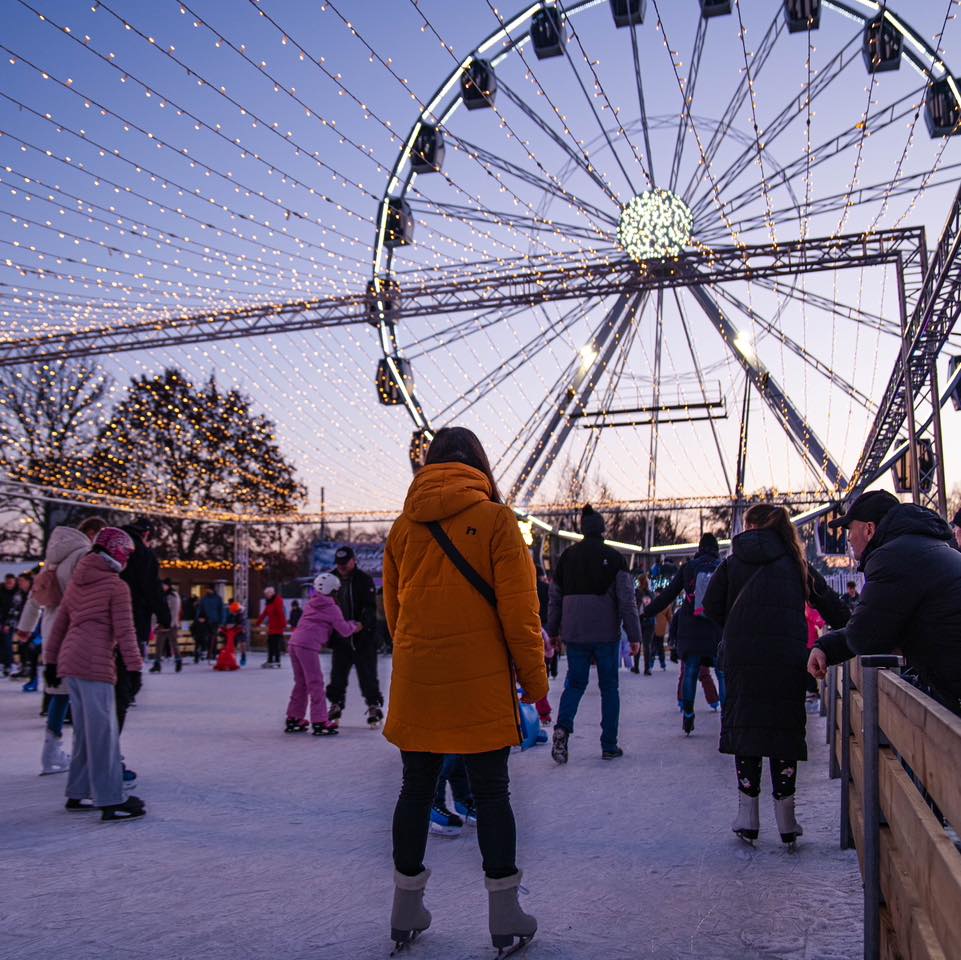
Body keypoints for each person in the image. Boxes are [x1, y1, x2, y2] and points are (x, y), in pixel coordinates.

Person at [382, 426, 547, 955]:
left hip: (418, 677)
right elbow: (521, 615)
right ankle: (504, 914)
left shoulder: (401, 530)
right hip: (479, 681)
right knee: (493, 793)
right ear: (478, 463)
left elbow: (394, 613)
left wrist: (417, 649)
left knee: (415, 789)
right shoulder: (499, 522)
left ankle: (405, 908)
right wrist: (535, 681)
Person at [703, 504, 849, 847]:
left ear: (750, 526)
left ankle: (748, 816)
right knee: (782, 729)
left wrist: (739, 628)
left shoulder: (732, 561)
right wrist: (860, 629)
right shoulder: (796, 564)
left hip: (742, 657)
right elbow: (830, 605)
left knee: (747, 728)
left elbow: (710, 606)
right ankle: (787, 820)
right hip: (786, 656)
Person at [808, 490, 961, 718]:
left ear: (869, 529)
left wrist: (825, 647)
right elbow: (876, 624)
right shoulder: (932, 546)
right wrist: (826, 647)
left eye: (851, 530)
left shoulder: (892, 558)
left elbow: (865, 636)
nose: (848, 538)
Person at [43, 527, 146, 821]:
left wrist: (51, 662)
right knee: (103, 734)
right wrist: (135, 668)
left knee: (86, 732)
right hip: (94, 664)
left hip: (71, 663)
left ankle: (78, 791)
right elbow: (126, 632)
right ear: (118, 553)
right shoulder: (116, 586)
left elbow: (60, 624)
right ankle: (112, 799)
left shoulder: (78, 581)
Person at [547, 504, 642, 764]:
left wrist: (552, 631)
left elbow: (555, 599)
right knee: (609, 687)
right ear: (602, 530)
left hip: (575, 633)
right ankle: (609, 744)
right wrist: (634, 635)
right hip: (605, 634)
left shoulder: (566, 558)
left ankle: (562, 728)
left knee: (575, 684)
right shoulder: (615, 558)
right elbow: (627, 601)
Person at [16, 517, 106, 774]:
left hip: (52, 627)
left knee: (60, 692)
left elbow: (36, 597)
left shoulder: (53, 559)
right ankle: (84, 755)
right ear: (91, 533)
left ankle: (50, 751)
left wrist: (25, 627)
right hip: (76, 629)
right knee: (84, 693)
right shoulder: (84, 555)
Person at [646, 533, 724, 735]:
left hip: (692, 629)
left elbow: (669, 595)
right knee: (722, 674)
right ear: (716, 549)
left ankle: (688, 714)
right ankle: (727, 717)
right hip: (716, 629)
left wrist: (647, 612)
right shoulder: (723, 567)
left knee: (690, 672)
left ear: (699, 548)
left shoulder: (688, 568)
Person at [285, 573, 360, 736]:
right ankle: (319, 721)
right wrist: (355, 625)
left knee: (301, 683)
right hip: (307, 646)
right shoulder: (332, 608)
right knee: (315, 683)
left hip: (294, 642)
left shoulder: (311, 604)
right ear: (334, 590)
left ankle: (294, 718)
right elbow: (345, 630)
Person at [325, 546, 384, 727]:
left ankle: (373, 705)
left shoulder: (363, 580)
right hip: (341, 638)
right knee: (337, 675)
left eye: (345, 563)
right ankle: (335, 705)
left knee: (368, 674)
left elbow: (370, 607)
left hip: (363, 638)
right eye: (339, 564)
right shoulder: (331, 578)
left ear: (354, 561)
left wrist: (362, 624)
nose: (341, 567)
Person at [150, 579, 182, 673]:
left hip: (171, 624)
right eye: (162, 585)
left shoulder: (174, 596)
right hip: (161, 624)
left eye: (164, 585)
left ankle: (178, 661)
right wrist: (154, 624)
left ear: (168, 586)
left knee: (173, 643)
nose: (162, 587)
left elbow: (174, 611)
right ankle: (157, 664)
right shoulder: (160, 596)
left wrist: (170, 624)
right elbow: (156, 611)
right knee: (159, 644)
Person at [256, 586, 287, 668]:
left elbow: (280, 613)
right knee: (270, 644)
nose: (265, 595)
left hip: (278, 626)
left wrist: (283, 624)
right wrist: (258, 622)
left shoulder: (277, 600)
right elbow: (265, 612)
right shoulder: (269, 602)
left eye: (266, 594)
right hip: (272, 627)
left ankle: (277, 661)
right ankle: (270, 660)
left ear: (271, 593)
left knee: (276, 644)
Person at [194, 585, 225, 663]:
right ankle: (207, 652)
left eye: (209, 590)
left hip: (215, 621)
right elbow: (200, 609)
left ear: (213, 590)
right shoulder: (204, 599)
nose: (208, 591)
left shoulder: (218, 599)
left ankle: (213, 653)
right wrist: (198, 618)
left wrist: (221, 622)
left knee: (213, 638)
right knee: (205, 637)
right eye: (207, 590)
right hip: (205, 621)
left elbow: (221, 610)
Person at [634, 573, 655, 674]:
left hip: (639, 620)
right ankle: (647, 668)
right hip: (650, 621)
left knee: (637, 642)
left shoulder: (637, 593)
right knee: (647, 645)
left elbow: (633, 606)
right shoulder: (651, 593)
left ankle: (636, 667)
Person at [0, 572, 18, 676]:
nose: (9, 585)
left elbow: (15, 609)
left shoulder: (17, 593)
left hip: (11, 622)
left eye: (10, 583)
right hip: (2, 620)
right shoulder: (1, 591)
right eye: (7, 582)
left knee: (7, 642)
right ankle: (3, 664)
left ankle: (8, 664)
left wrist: (7, 624)